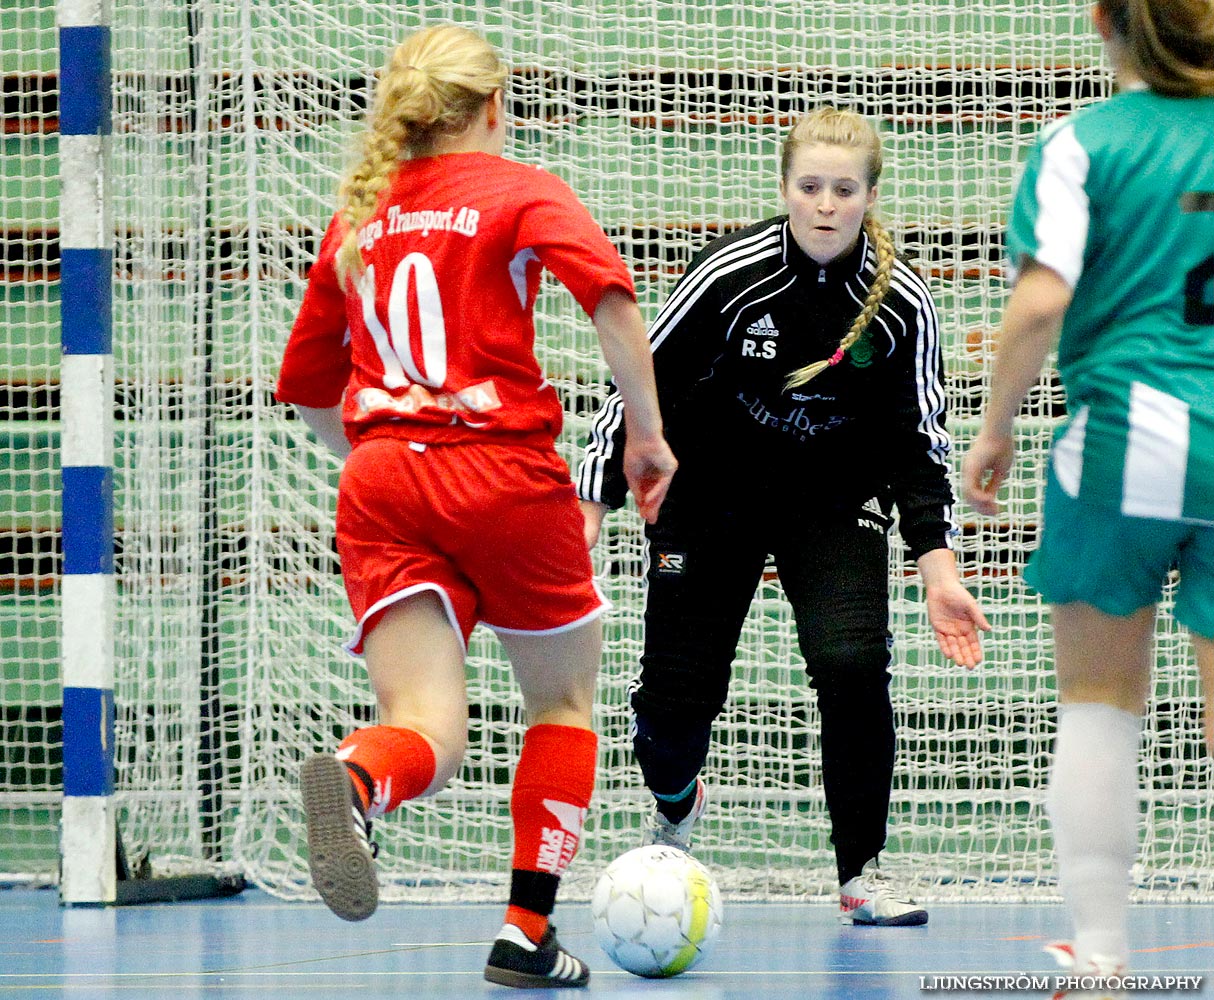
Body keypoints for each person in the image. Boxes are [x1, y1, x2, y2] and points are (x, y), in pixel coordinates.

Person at [275, 24, 676, 990]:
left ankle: (363, 777)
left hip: (382, 481)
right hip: (502, 478)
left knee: (425, 726)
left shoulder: (358, 217)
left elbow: (307, 384)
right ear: (495, 107)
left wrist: (380, 458)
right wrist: (647, 438)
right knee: (561, 702)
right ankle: (525, 931)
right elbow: (612, 302)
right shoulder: (519, 190)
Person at [578, 105, 989, 927]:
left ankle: (862, 872)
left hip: (832, 504)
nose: (827, 205)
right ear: (786, 190)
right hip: (712, 496)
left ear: (870, 196)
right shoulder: (730, 275)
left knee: (851, 664)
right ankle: (676, 803)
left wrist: (937, 563)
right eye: (811, 187)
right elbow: (639, 383)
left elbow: (921, 440)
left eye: (844, 189)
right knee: (671, 706)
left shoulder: (901, 303)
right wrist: (588, 511)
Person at [961, 0, 1214, 990]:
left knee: (1099, 705)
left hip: (1124, 445)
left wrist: (992, 427)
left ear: (1102, 21)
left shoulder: (1082, 142)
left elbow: (1039, 298)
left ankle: (1102, 956)